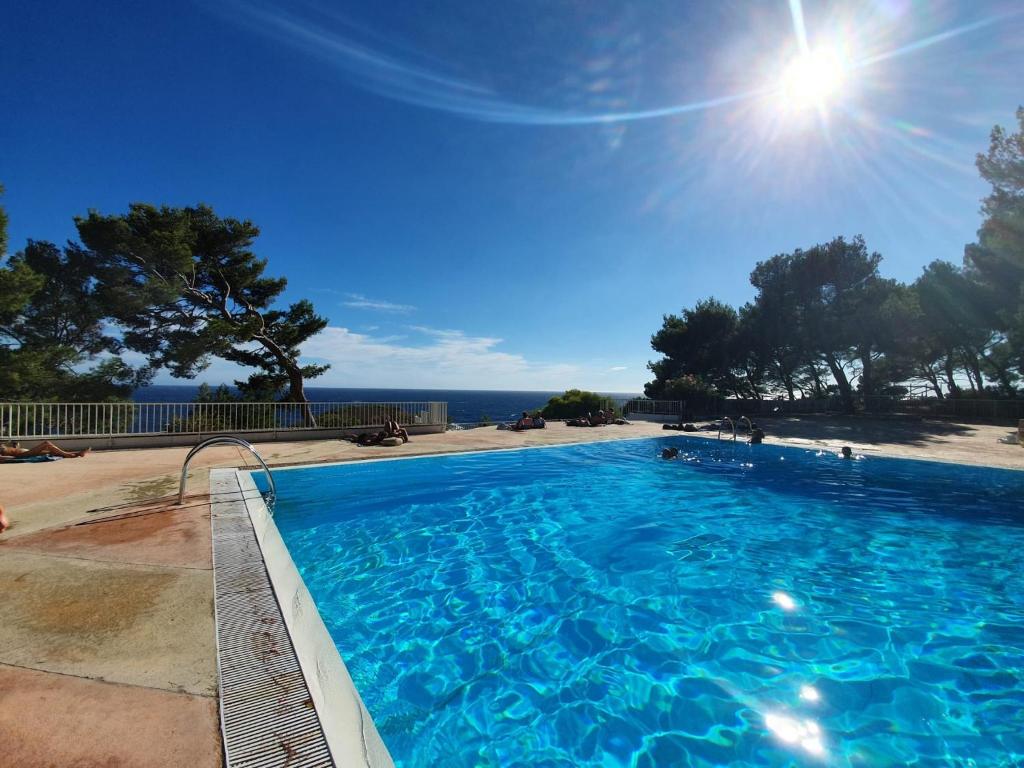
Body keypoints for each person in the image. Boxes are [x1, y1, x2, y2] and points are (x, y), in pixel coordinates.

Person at [0, 440, 89, 461]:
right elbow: (2, 458)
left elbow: (14, 450)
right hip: (26, 454)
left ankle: (77, 454)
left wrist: (16, 446)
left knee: (52, 452)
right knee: (46, 443)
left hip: (27, 452)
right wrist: (14, 458)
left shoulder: (2, 446)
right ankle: (68, 455)